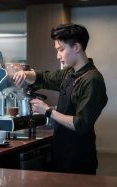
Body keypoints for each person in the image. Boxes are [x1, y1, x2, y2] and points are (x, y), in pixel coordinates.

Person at [13, 23, 108, 175]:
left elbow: (81, 124)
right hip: (61, 150)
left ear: (76, 47)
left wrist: (48, 111)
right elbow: (45, 78)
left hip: (79, 157)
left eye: (61, 49)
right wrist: (26, 75)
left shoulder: (92, 80)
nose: (58, 56)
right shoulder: (69, 73)